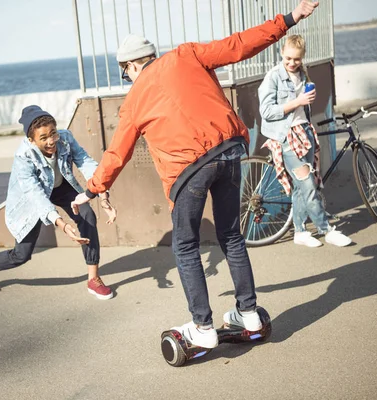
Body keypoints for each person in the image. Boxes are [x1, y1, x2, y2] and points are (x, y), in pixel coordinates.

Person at [72, 1, 321, 348]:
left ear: (130, 65)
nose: (128, 78)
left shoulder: (134, 100)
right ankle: (248, 312)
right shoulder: (185, 54)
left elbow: (118, 153)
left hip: (188, 171)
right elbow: (239, 45)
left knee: (185, 245)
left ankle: (202, 326)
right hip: (229, 151)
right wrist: (289, 19)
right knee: (231, 235)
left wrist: (92, 190)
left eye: (125, 72)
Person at [0, 106, 117, 299]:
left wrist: (102, 193)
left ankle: (93, 278)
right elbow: (35, 194)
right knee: (21, 255)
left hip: (61, 187)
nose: (51, 141)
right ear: (31, 140)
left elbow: (85, 162)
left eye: (53, 134)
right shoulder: (23, 156)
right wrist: (62, 224)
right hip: (32, 199)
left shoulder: (65, 138)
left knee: (87, 215)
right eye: (44, 138)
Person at [258, 34, 352, 248]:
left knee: (301, 188)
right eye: (288, 58)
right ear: (282, 52)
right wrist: (297, 101)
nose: (292, 63)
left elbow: (302, 107)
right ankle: (326, 229)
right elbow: (266, 111)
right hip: (286, 136)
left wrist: (306, 99)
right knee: (309, 185)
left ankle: (300, 232)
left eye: (297, 59)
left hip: (305, 132)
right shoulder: (273, 77)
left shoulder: (303, 74)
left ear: (303, 58)